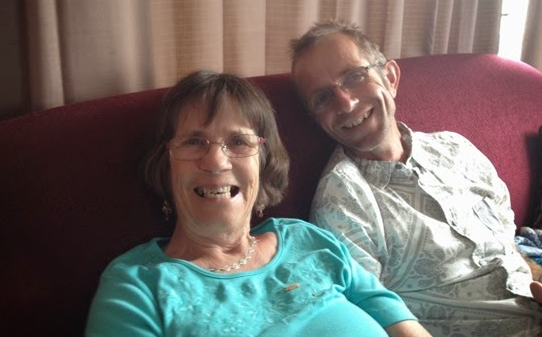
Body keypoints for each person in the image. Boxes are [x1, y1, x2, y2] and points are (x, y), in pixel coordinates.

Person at [85, 70, 430, 336]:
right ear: (165, 164)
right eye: (193, 142)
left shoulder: (309, 240)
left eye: (238, 141)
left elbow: (404, 328)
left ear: (263, 164)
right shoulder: (137, 286)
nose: (216, 162)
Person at [290, 20, 542, 336]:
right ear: (316, 119)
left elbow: (507, 240)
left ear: (390, 77)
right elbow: (366, 319)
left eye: (354, 77)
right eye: (323, 97)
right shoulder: (342, 205)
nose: (346, 103)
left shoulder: (456, 147)